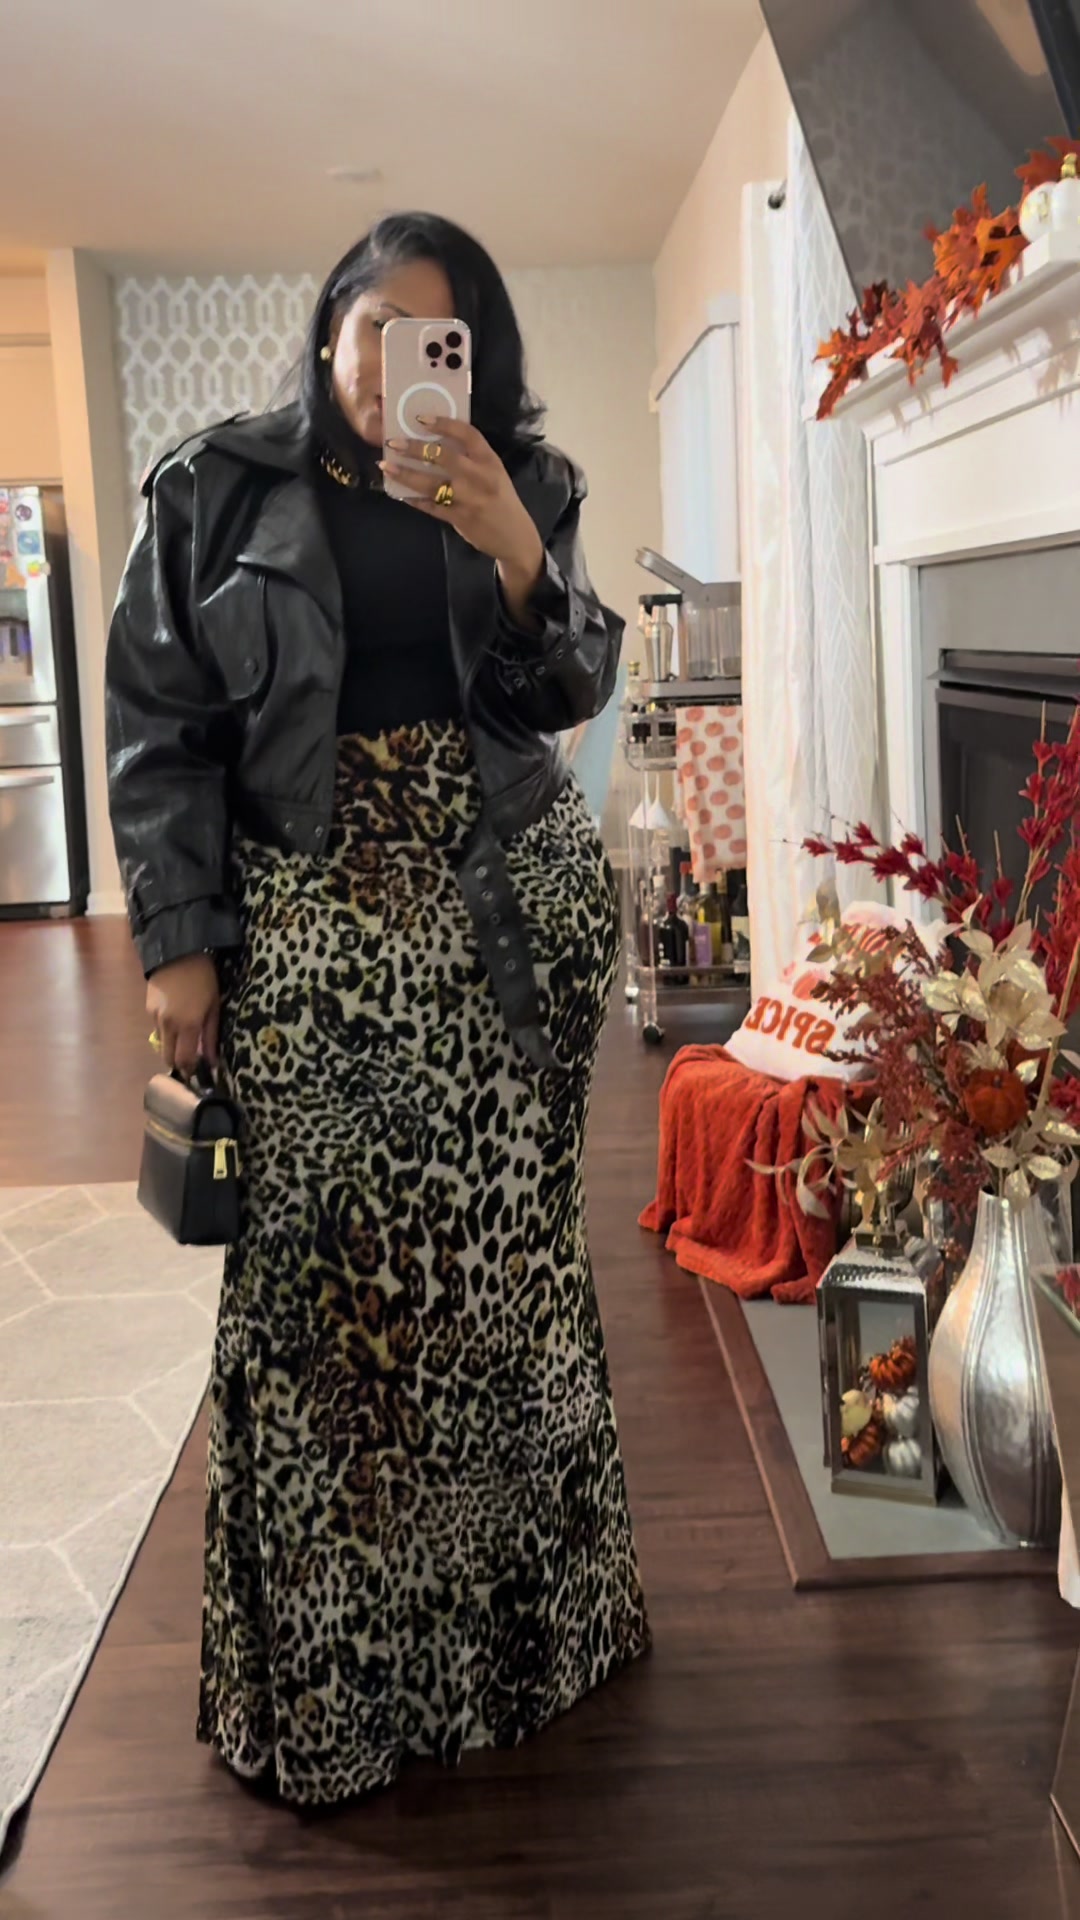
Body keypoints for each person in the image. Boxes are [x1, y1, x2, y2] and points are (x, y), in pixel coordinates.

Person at [105, 211, 649, 1807]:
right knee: (314, 1297)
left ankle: (523, 1651)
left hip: (504, 921)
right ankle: (337, 1683)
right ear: (331, 324)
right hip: (310, 924)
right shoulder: (214, 490)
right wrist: (181, 943)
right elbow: (155, 724)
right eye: (372, 326)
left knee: (504, 1282)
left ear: (469, 356)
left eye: (433, 335)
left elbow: (566, 693)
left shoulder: (522, 482)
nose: (390, 361)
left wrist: (519, 551)